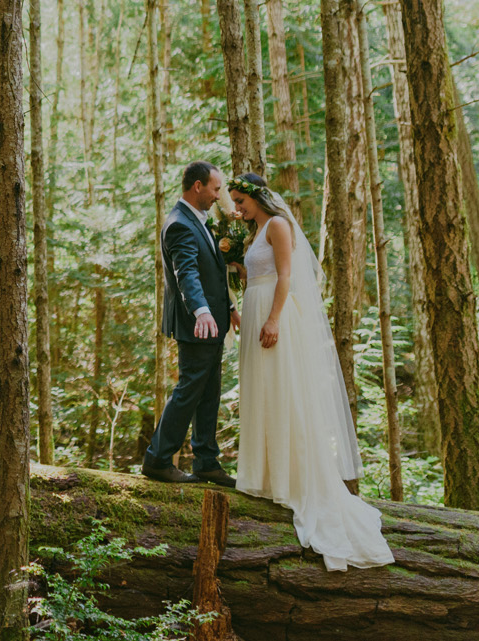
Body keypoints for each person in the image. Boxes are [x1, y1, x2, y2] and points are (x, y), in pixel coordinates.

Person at [230, 172, 393, 571]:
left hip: (274, 315)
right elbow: (256, 273)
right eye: (234, 202)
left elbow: (286, 276)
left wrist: (273, 320)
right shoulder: (257, 230)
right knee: (263, 394)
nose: (238, 209)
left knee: (284, 393)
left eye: (241, 201)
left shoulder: (279, 225)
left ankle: (293, 480)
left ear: (258, 197)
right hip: (254, 310)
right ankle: (267, 476)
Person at [141, 161, 239, 487]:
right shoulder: (179, 224)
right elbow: (188, 274)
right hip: (197, 323)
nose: (217, 195)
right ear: (197, 186)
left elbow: (213, 272)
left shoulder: (200, 220)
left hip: (212, 322)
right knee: (188, 391)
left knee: (208, 391)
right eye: (215, 189)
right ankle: (157, 459)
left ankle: (207, 461)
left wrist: (229, 307)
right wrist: (202, 311)